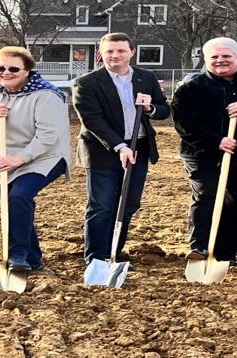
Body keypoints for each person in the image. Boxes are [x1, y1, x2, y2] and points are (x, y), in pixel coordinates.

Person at [170, 37, 237, 267]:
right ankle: (200, 247)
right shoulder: (190, 89)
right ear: (206, 60)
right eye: (214, 57)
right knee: (207, 196)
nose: (220, 60)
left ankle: (225, 254)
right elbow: (184, 124)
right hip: (203, 154)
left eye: (226, 56)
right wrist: (216, 141)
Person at [0, 46, 72, 274]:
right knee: (14, 206)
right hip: (2, 160)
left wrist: (19, 159)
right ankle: (33, 259)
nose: (6, 73)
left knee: (19, 196)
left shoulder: (46, 95)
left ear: (27, 71)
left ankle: (16, 254)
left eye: (14, 68)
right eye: (0, 68)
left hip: (43, 158)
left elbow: (48, 137)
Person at [71, 32, 169, 266]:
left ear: (131, 52)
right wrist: (119, 145)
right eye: (109, 51)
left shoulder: (146, 78)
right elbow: (92, 120)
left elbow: (164, 110)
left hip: (139, 148)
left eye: (121, 51)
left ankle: (114, 251)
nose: (115, 55)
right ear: (100, 54)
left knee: (128, 204)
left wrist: (149, 108)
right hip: (102, 151)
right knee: (102, 205)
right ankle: (96, 258)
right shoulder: (86, 83)